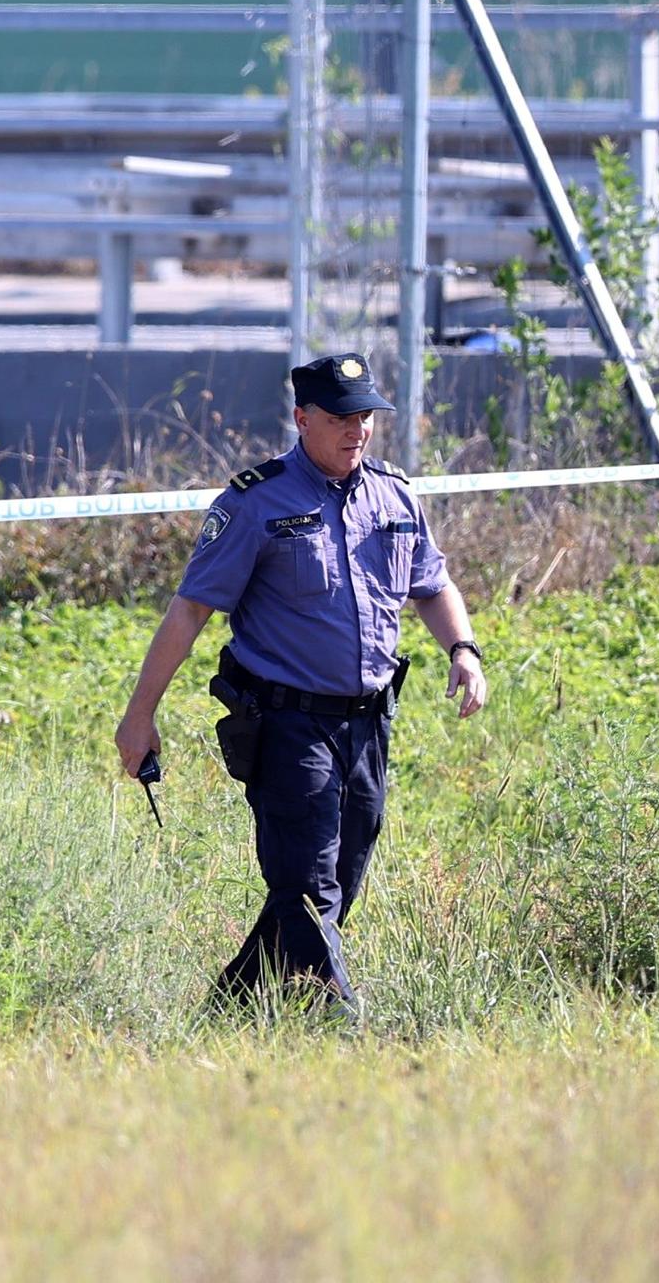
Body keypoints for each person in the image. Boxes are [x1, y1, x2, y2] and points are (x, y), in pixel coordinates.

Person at [111, 353, 490, 1015]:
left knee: (333, 882)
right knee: (309, 887)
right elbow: (191, 610)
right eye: (341, 418)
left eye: (365, 417)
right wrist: (140, 714)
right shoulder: (256, 502)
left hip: (368, 724)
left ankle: (230, 1010)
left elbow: (432, 586)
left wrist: (463, 648)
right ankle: (344, 1021)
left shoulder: (395, 496)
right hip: (288, 723)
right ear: (302, 418)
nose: (357, 430)